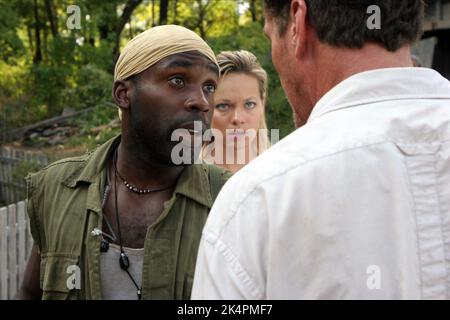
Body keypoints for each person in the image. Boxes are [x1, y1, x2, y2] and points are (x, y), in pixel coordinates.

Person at [192, 0, 450, 299]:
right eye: (225, 105)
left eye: (270, 37)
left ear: (298, 23)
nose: (238, 117)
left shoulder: (257, 201)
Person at [15, 25, 231, 300]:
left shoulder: (230, 200)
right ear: (123, 94)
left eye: (209, 87)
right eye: (177, 80)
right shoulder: (57, 188)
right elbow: (30, 292)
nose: (202, 102)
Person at [202, 50, 271, 173]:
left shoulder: (281, 172)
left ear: (262, 102)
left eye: (249, 104)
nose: (237, 118)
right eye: (223, 106)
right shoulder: (185, 175)